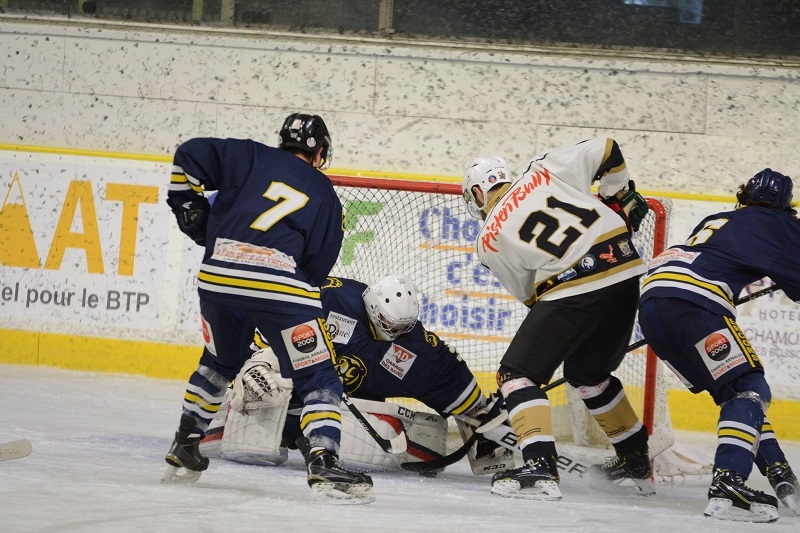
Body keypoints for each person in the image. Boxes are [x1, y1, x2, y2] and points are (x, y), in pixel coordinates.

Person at [163, 113, 375, 503]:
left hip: (218, 278)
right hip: (281, 291)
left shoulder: (246, 155)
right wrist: (287, 303)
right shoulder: (325, 192)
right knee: (319, 377)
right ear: (321, 152)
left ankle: (185, 443)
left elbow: (187, 155)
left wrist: (194, 219)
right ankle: (324, 459)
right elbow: (318, 265)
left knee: (218, 361)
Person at [461, 139, 653, 500]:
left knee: (515, 376)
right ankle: (636, 463)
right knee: (589, 377)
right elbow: (608, 149)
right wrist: (615, 199)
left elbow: (533, 297)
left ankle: (539, 468)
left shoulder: (488, 238)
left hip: (574, 286)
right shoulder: (543, 167)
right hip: (625, 270)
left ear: (477, 191)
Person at [204, 274, 515, 476]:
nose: (395, 333)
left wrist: (480, 412)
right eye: (389, 325)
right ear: (371, 307)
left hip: (348, 409)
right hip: (301, 390)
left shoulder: (414, 348)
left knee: (397, 448)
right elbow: (279, 325)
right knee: (248, 430)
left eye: (402, 328)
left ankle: (307, 437)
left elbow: (449, 377)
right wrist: (257, 363)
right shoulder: (332, 299)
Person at [638, 168, 800, 522]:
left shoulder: (720, 218)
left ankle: (779, 473)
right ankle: (729, 482)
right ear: (785, 205)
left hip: (653, 304)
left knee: (734, 394)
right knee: (750, 390)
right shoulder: (784, 225)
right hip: (695, 304)